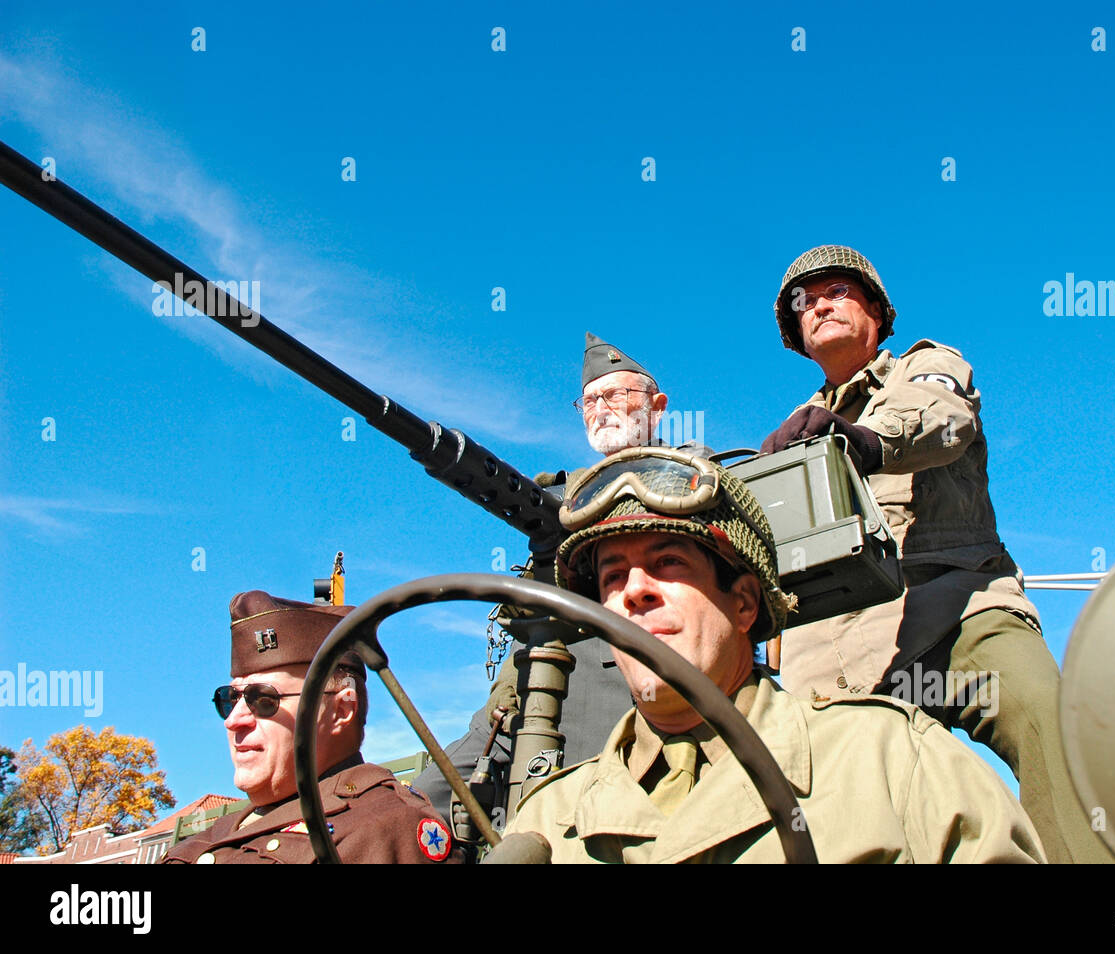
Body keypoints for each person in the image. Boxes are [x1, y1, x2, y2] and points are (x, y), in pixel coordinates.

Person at [500, 448, 1045, 863]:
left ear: (743, 603)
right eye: (612, 576)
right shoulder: (549, 819)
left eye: (668, 562)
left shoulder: (892, 763)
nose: (634, 590)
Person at [760, 243, 1111, 863]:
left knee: (1045, 721)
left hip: (955, 604)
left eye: (836, 292)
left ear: (875, 310)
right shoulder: (791, 428)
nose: (818, 305)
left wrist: (865, 441)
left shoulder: (925, 366)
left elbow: (940, 415)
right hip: (838, 653)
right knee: (823, 813)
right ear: (796, 333)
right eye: (804, 302)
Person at [413, 333, 703, 834]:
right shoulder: (564, 492)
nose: (600, 409)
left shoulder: (694, 474)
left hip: (628, 679)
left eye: (616, 395)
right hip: (530, 675)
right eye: (589, 401)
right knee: (422, 806)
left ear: (657, 407)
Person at [164, 591, 459, 864]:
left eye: (264, 699)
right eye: (230, 699)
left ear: (341, 710)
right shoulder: (208, 838)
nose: (233, 720)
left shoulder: (385, 827)